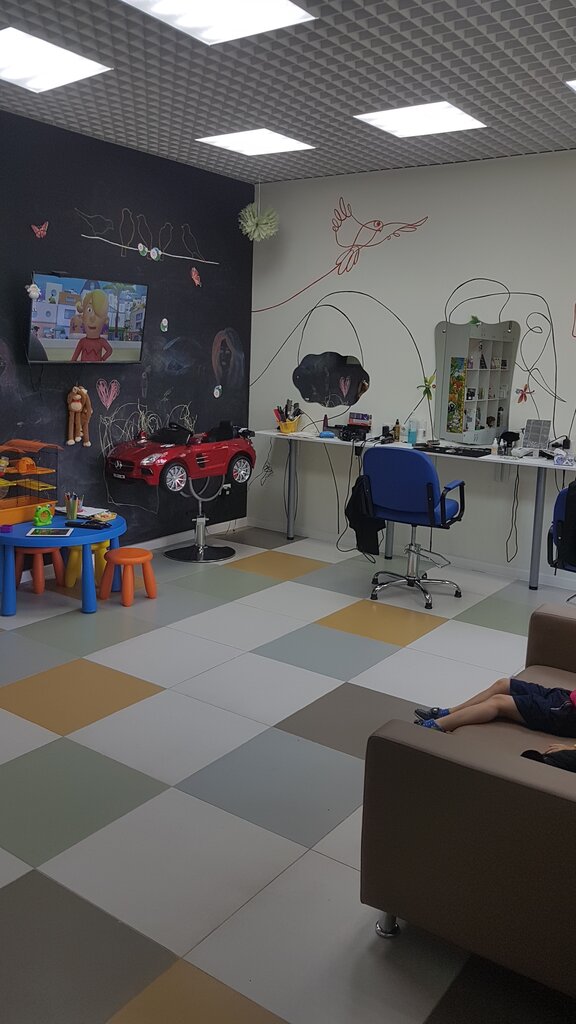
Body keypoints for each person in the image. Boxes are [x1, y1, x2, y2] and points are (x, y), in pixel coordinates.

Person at [415, 676, 576, 738]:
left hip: (566, 714)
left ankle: (437, 726)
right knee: (503, 684)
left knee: (498, 702)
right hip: (565, 696)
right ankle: (448, 713)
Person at [71, 289, 113, 362]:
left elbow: (109, 350)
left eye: (98, 312)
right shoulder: (82, 341)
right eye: (89, 310)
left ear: (105, 320)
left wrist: (102, 359)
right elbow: (74, 357)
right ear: (83, 318)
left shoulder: (101, 341)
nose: (92, 317)